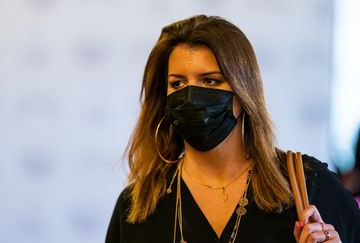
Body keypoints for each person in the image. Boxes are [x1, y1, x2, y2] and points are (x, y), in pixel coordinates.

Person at [106, 15, 360, 243]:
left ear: (243, 92)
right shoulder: (137, 207)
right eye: (178, 83)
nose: (191, 96)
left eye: (210, 80)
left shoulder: (307, 186)